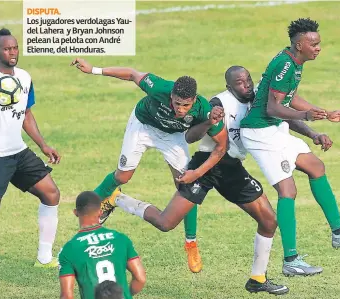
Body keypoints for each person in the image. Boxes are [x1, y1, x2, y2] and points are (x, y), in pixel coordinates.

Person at [108, 66, 293, 295]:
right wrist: (207, 126)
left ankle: (257, 279)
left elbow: (286, 116)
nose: (245, 85)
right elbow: (192, 137)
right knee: (166, 223)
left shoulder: (260, 103)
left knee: (268, 220)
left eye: (248, 80)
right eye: (239, 82)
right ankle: (118, 198)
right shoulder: (218, 103)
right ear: (229, 86)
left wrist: (313, 133)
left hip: (231, 168)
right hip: (205, 164)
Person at [71, 58, 226, 273]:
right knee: (122, 176)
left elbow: (221, 144)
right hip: (143, 126)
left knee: (186, 186)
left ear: (193, 101)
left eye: (185, 105)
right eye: (176, 103)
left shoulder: (204, 109)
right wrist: (94, 70)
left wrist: (210, 123)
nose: (180, 109)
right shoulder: (160, 87)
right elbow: (132, 73)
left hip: (172, 136)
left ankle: (191, 243)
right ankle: (90, 206)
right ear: (171, 94)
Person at [239, 18, 340, 277]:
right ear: (299, 45)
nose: (318, 48)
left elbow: (290, 101)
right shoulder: (285, 65)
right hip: (260, 133)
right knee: (288, 190)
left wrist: (319, 122)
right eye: (313, 44)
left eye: (319, 43)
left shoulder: (294, 63)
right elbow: (273, 108)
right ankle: (291, 260)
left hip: (275, 128)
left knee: (316, 167)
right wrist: (307, 117)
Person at [0, 28, 60, 267]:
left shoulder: (24, 77)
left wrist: (43, 145)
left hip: (18, 152)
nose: (12, 52)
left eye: (14, 47)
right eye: (6, 48)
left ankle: (44, 258)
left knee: (51, 193)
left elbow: (26, 114)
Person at [58, 191, 146, 299]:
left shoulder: (69, 250)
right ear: (100, 212)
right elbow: (140, 279)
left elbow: (67, 296)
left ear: (76, 213)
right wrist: (125, 295)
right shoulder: (120, 239)